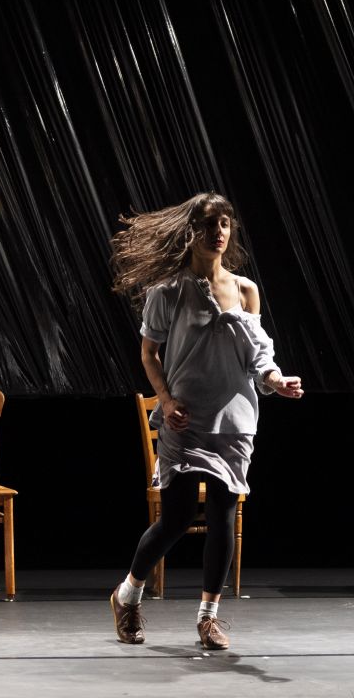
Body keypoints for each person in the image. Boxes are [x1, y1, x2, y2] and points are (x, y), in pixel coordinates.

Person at [108, 192, 303, 650]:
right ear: (190, 232)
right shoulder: (167, 292)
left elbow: (258, 355)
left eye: (224, 224)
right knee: (176, 519)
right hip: (185, 420)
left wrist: (276, 380)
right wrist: (166, 399)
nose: (218, 232)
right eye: (208, 224)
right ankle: (127, 594)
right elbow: (149, 353)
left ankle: (208, 617)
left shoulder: (246, 290)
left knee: (222, 516)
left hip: (234, 421)